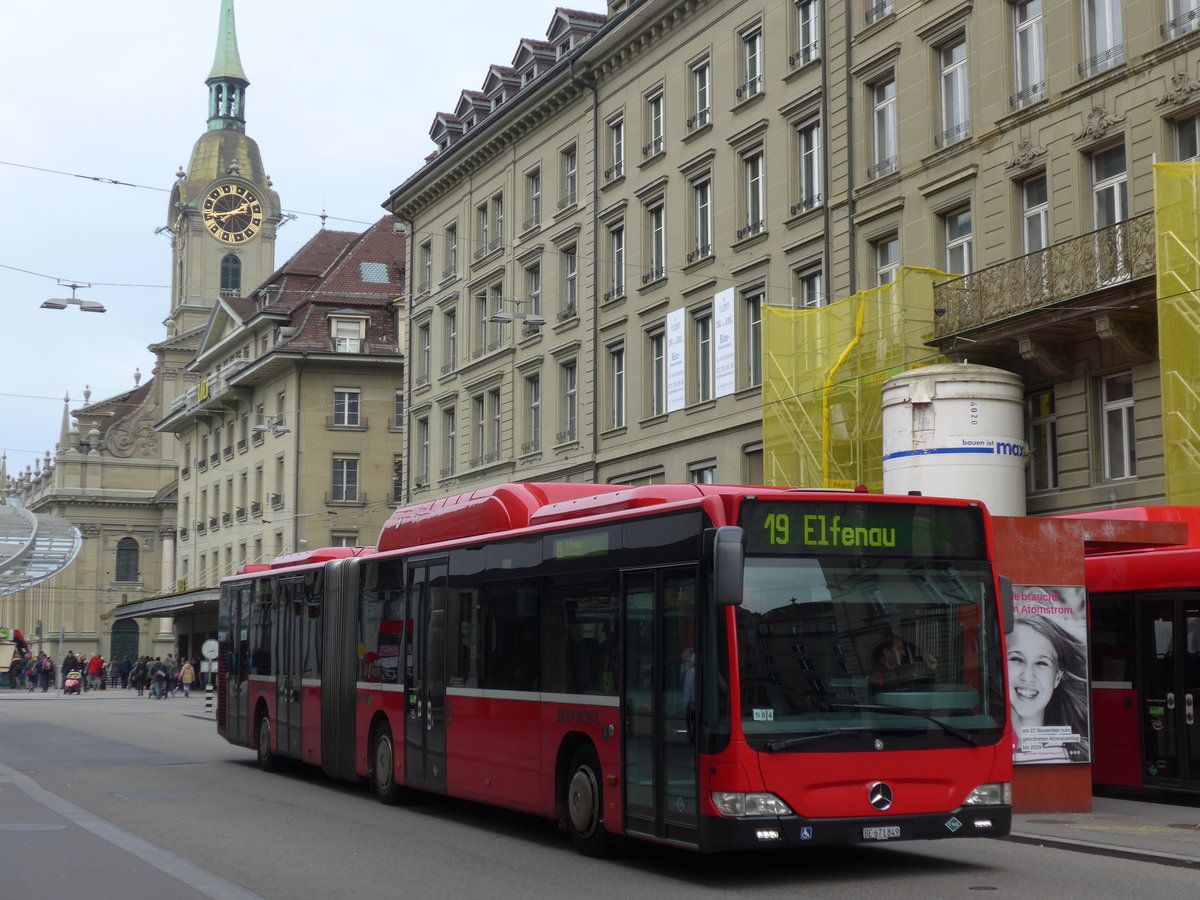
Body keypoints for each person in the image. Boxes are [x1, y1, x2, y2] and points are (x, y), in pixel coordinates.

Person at [1008, 615, 1089, 762]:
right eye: (1016, 659)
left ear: (1057, 678)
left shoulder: (1076, 756)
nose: (1028, 676)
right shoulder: (981, 739)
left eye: (1041, 663)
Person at [869, 633, 936, 693]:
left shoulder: (902, 670)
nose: (903, 653)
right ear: (887, 652)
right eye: (899, 648)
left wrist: (929, 670)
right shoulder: (876, 677)